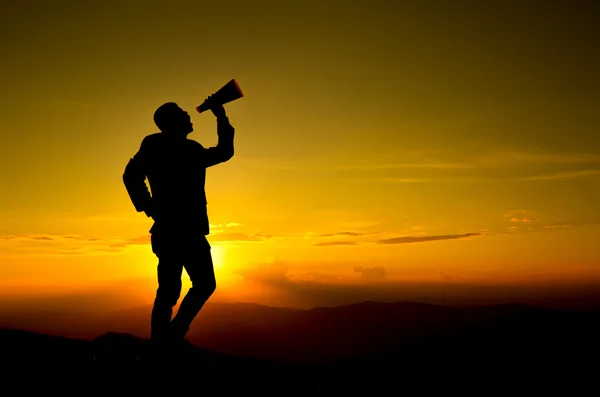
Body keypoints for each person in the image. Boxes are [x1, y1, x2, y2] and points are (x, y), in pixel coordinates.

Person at [123, 97, 234, 351]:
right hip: (178, 230)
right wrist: (148, 206)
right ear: (173, 122)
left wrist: (149, 207)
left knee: (178, 289)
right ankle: (168, 340)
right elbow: (131, 175)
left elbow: (224, 152)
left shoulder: (189, 149)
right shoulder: (158, 145)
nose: (189, 116)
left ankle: (167, 339)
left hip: (180, 230)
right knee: (182, 288)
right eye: (183, 114)